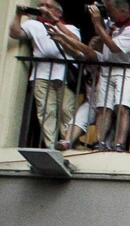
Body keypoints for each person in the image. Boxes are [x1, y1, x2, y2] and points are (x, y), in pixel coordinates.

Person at [7, 1, 81, 148]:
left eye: (48, 6)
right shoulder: (33, 25)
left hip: (64, 75)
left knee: (67, 111)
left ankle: (68, 144)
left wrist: (55, 21)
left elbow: (76, 41)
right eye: (41, 5)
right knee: (46, 112)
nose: (43, 8)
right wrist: (18, 15)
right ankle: (51, 146)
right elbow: (15, 33)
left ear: (59, 12)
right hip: (40, 75)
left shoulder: (70, 28)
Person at [87, 0, 130, 151]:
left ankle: (119, 143)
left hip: (125, 71)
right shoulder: (112, 26)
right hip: (107, 70)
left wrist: (98, 24)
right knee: (103, 108)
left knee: (122, 107)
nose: (109, 15)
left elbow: (114, 47)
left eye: (112, 11)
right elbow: (101, 39)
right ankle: (100, 141)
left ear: (123, 12)